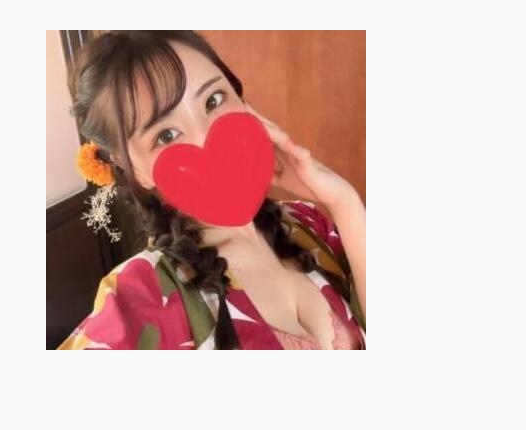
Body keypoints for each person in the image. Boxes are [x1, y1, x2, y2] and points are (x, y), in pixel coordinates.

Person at [57, 31, 366, 350]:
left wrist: (344, 202)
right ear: (134, 170)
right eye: (166, 135)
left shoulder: (308, 223)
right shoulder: (142, 297)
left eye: (213, 100)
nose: (207, 138)